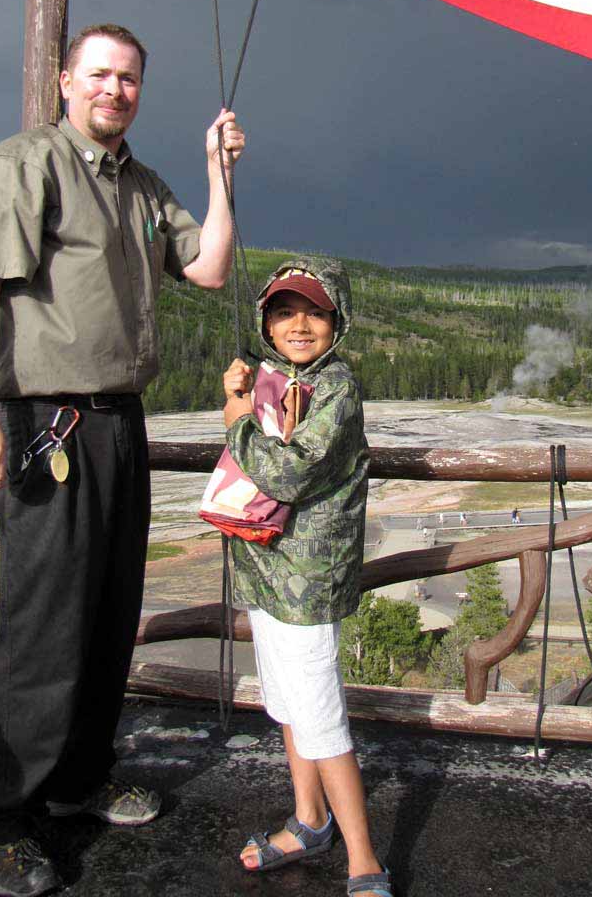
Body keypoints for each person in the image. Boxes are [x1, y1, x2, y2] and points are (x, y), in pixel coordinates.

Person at [0, 23, 245, 897]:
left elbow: (213, 268)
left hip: (120, 421)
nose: (114, 91)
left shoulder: (143, 185)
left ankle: (78, 784)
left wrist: (219, 173)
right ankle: (2, 819)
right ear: (64, 81)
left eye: (128, 80)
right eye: (100, 76)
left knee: (109, 614)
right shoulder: (23, 165)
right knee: (44, 626)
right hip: (47, 422)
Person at [221, 256, 393, 897]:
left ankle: (364, 860)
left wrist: (235, 415)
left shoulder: (337, 389)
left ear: (337, 321)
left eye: (314, 312)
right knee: (288, 703)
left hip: (308, 579)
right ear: (265, 321)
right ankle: (309, 819)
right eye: (284, 310)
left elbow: (288, 474)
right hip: (265, 566)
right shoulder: (275, 377)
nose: (298, 324)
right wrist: (247, 397)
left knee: (320, 715)